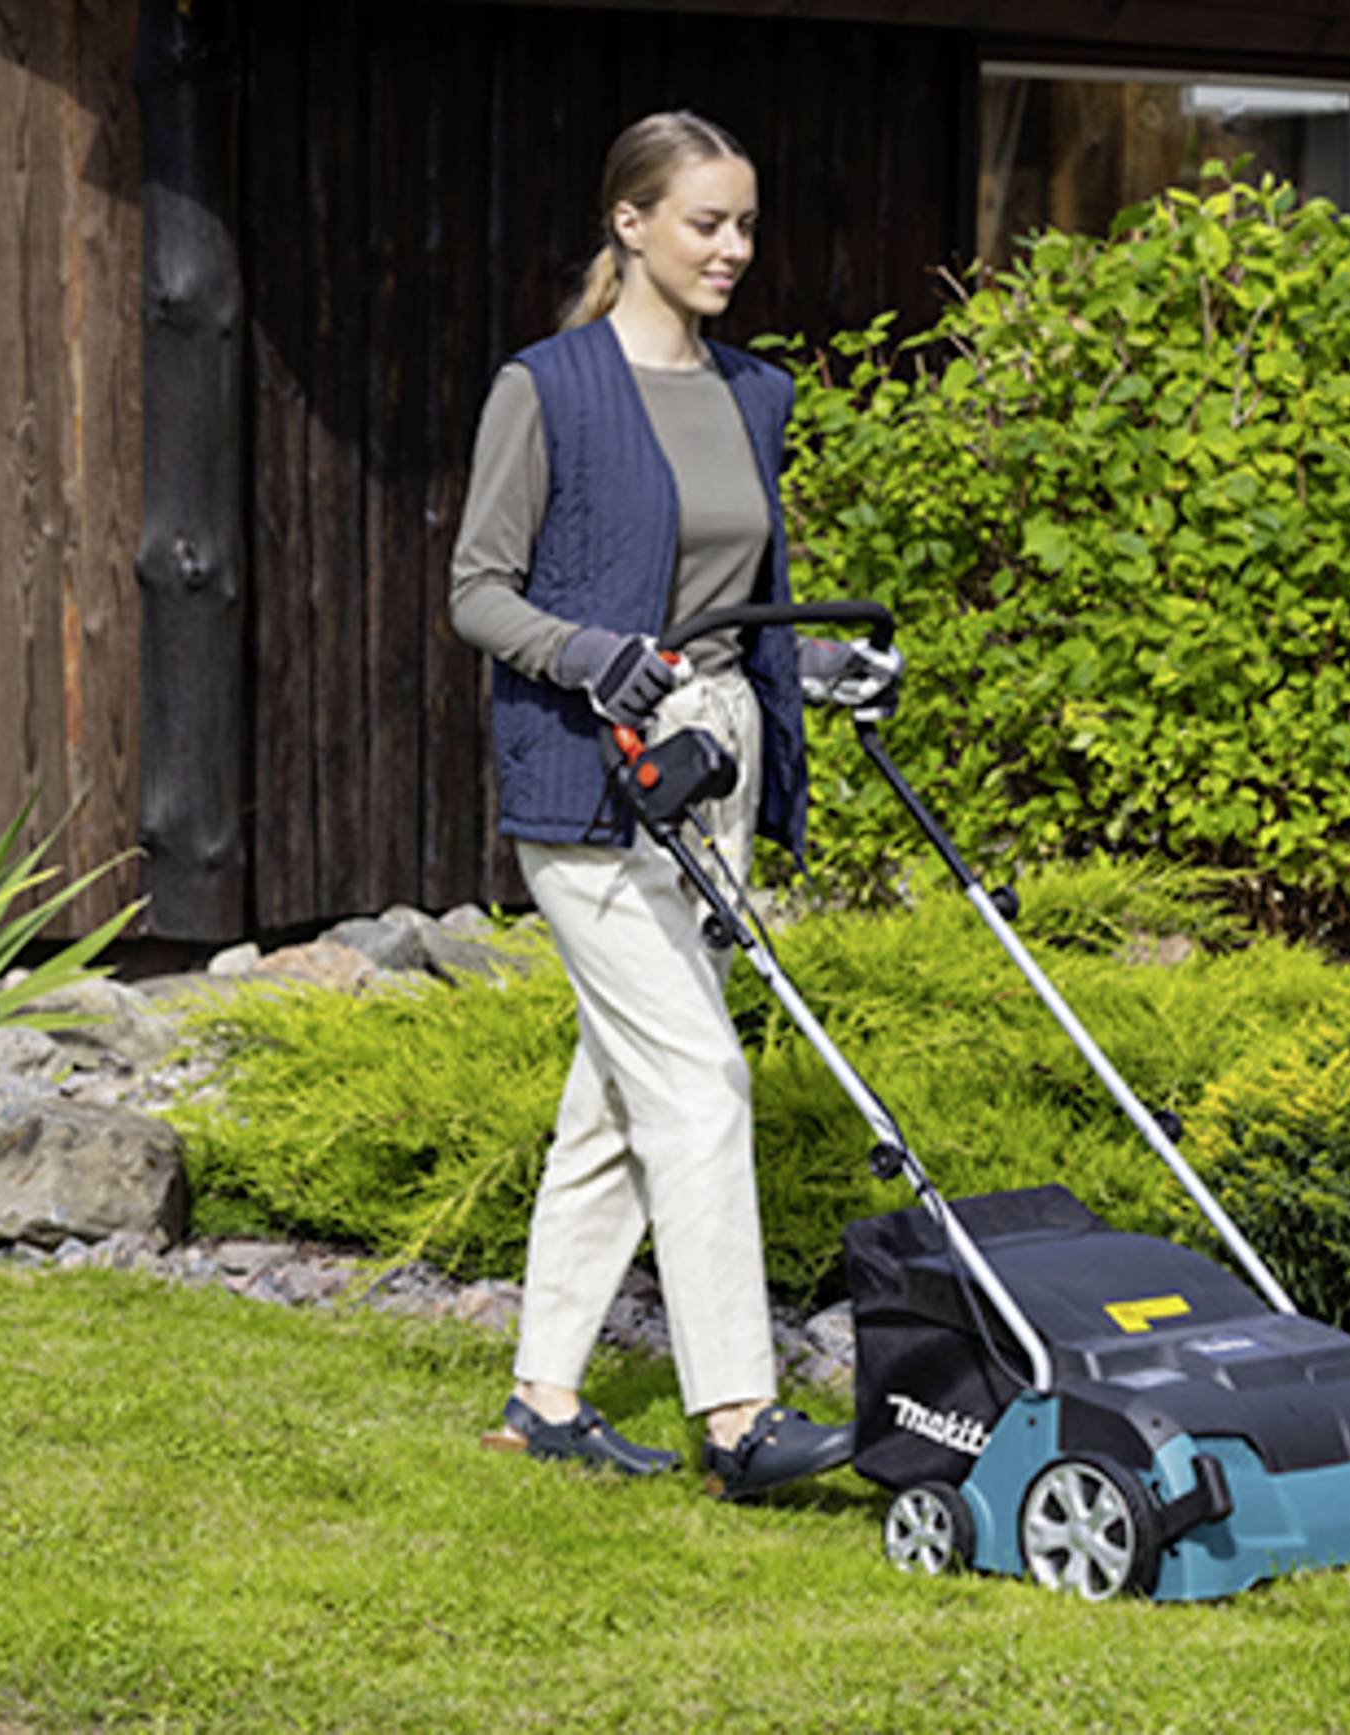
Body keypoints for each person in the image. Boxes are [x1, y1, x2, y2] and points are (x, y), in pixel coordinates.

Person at [447, 110, 894, 1497]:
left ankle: (545, 1399)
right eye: (706, 222)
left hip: (720, 771)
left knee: (620, 1093)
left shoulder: (753, 394)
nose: (734, 248)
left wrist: (820, 669)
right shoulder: (549, 387)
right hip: (589, 777)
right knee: (700, 1082)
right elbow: (479, 590)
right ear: (630, 223)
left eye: (746, 224)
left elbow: (726, 609)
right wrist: (594, 658)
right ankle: (739, 1421)